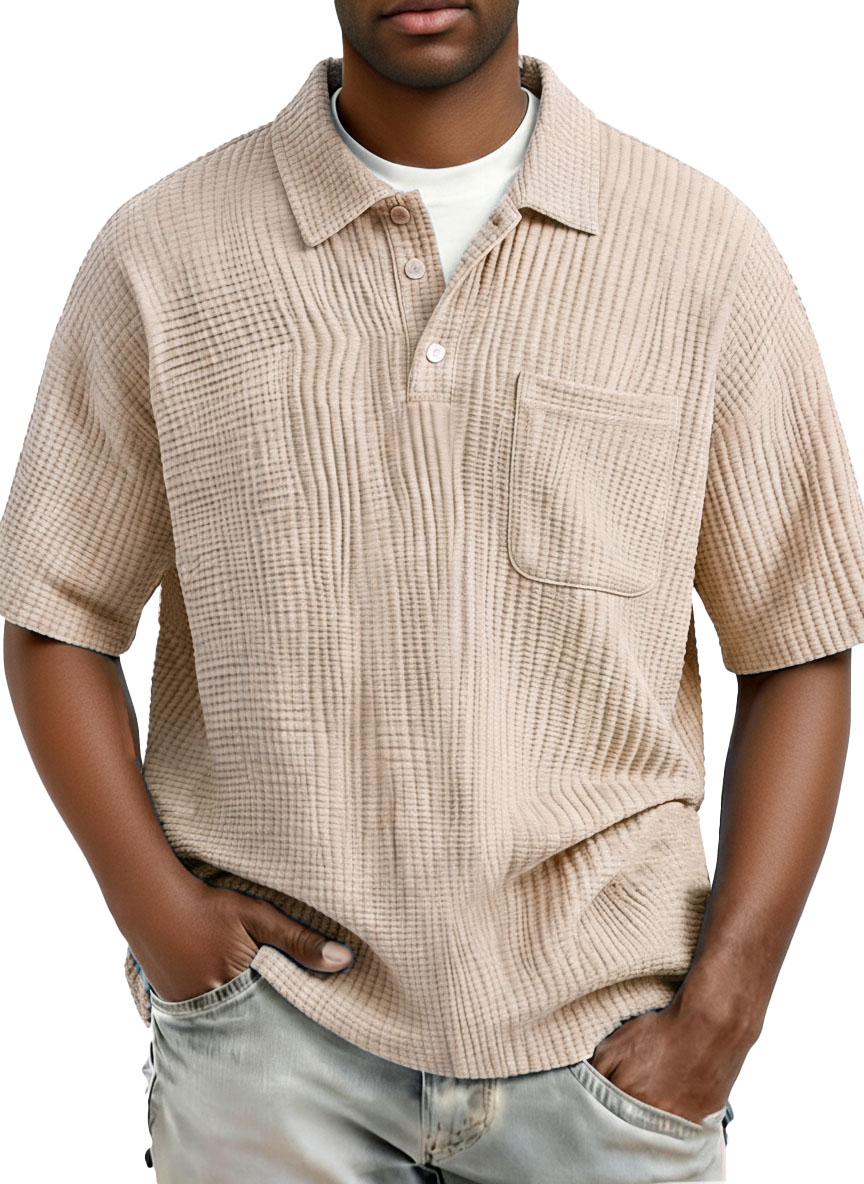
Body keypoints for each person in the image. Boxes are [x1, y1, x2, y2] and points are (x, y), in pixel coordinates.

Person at [1, 2, 863, 1181]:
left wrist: (727, 1009)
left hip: (607, 1046)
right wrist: (164, 922)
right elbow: (57, 608)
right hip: (271, 1047)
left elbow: (799, 635)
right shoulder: (165, 252)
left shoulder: (702, 252)